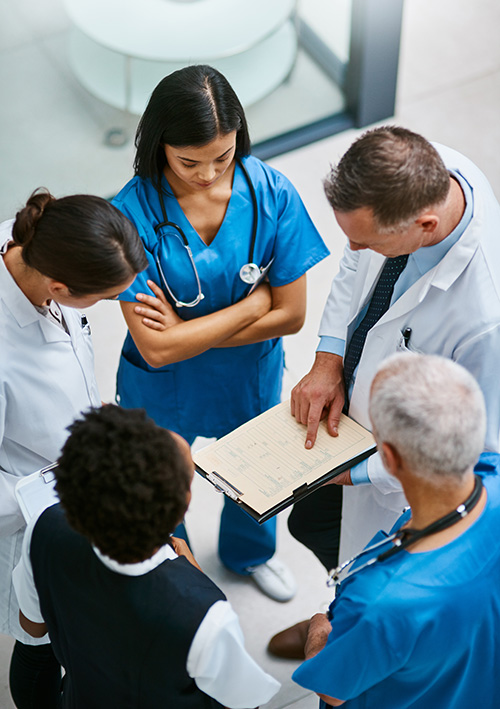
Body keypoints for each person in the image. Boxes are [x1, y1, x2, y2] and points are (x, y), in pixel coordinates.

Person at [268, 125, 500, 656]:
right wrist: (328, 357)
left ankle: (340, 627)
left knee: (370, 577)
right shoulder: (426, 167)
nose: (352, 248)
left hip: (393, 472)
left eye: (368, 239)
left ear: (425, 225)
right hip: (352, 415)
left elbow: (474, 456)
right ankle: (337, 610)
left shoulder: (485, 321)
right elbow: (356, 262)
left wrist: (356, 471)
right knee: (311, 522)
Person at [112, 64, 329, 601]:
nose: (208, 174)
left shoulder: (272, 194)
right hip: (162, 385)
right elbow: (156, 350)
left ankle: (249, 555)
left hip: (246, 377)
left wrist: (188, 329)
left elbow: (292, 315)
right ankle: (175, 570)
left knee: (254, 471)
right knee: (161, 481)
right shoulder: (129, 215)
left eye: (223, 157)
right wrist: (249, 308)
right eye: (189, 162)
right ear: (160, 146)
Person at [13, 404, 281, 708]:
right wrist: (196, 582)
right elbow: (243, 701)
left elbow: (33, 627)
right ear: (180, 511)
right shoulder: (204, 616)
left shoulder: (44, 527)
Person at [0, 189, 147, 709]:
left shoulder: (34, 249)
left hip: (70, 478)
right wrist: (64, 485)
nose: (113, 306)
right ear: (60, 286)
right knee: (41, 640)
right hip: (32, 510)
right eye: (105, 298)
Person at [292, 353, 500, 708]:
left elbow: (334, 691)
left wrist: (318, 631)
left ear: (387, 457)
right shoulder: (492, 474)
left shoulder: (378, 602)